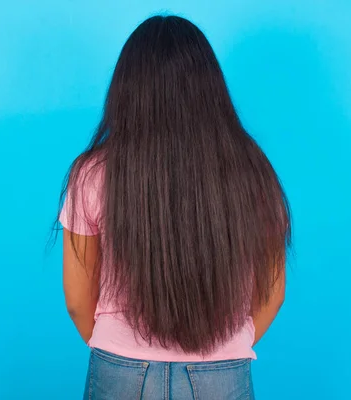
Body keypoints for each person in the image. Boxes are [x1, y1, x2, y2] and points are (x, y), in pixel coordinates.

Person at [57, 14, 291, 400]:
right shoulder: (252, 169)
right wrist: (225, 347)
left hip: (119, 371)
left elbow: (77, 300)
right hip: (221, 373)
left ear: (127, 88)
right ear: (210, 87)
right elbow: (272, 292)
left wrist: (119, 350)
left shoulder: (92, 174)